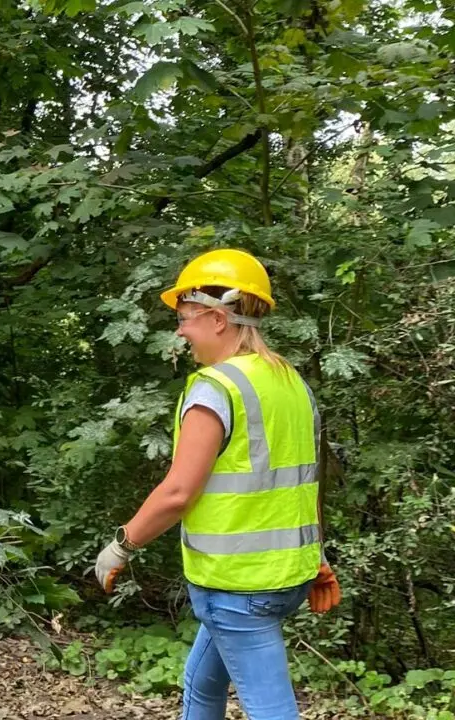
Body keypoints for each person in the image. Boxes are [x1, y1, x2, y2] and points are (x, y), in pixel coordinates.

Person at [89, 249, 342, 720]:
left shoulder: (216, 387)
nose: (180, 331)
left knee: (271, 711)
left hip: (238, 587)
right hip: (287, 577)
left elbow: (178, 492)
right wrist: (317, 557)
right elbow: (300, 485)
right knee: (201, 685)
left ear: (218, 318)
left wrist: (121, 546)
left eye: (185, 318)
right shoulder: (290, 382)